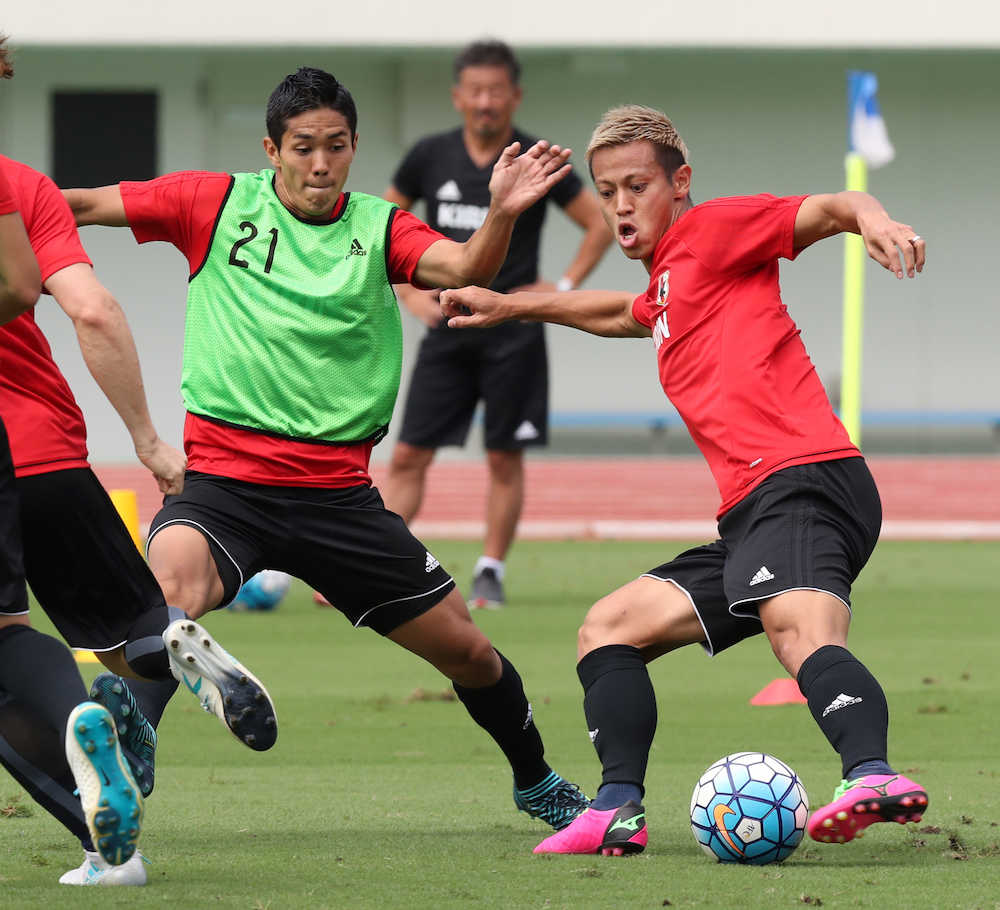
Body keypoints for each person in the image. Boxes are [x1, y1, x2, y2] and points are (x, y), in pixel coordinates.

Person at [64, 66, 590, 833]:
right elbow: (75, 205)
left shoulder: (379, 228)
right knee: (167, 599)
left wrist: (502, 212)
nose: (320, 163)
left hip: (338, 499)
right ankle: (134, 739)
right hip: (223, 483)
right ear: (271, 149)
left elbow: (469, 267)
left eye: (336, 147)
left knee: (471, 655)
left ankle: (536, 778)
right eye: (303, 147)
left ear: (353, 148)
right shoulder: (210, 201)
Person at [439, 104, 930, 856]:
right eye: (607, 192)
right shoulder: (667, 283)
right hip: (751, 511)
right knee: (608, 630)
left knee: (796, 633)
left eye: (637, 185)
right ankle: (616, 808)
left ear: (681, 183)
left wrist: (877, 222)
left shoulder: (717, 229)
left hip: (803, 479)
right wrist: (509, 303)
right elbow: (619, 312)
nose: (621, 204)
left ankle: (870, 774)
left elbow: (833, 207)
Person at [0, 35, 277, 885]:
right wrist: (150, 440)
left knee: (7, 644)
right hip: (49, 454)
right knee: (126, 628)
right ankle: (170, 646)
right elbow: (94, 310)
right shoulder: (23, 188)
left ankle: (102, 833)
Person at [381, 40, 611, 609]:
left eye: (496, 91)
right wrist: (411, 295)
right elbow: (383, 223)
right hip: (449, 329)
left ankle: (490, 570)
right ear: (458, 96)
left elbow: (599, 224)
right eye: (475, 91)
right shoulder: (428, 156)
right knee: (409, 453)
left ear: (515, 95)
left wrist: (560, 288)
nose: (486, 102)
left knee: (504, 458)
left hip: (514, 331)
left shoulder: (537, 157)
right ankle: (378, 562)